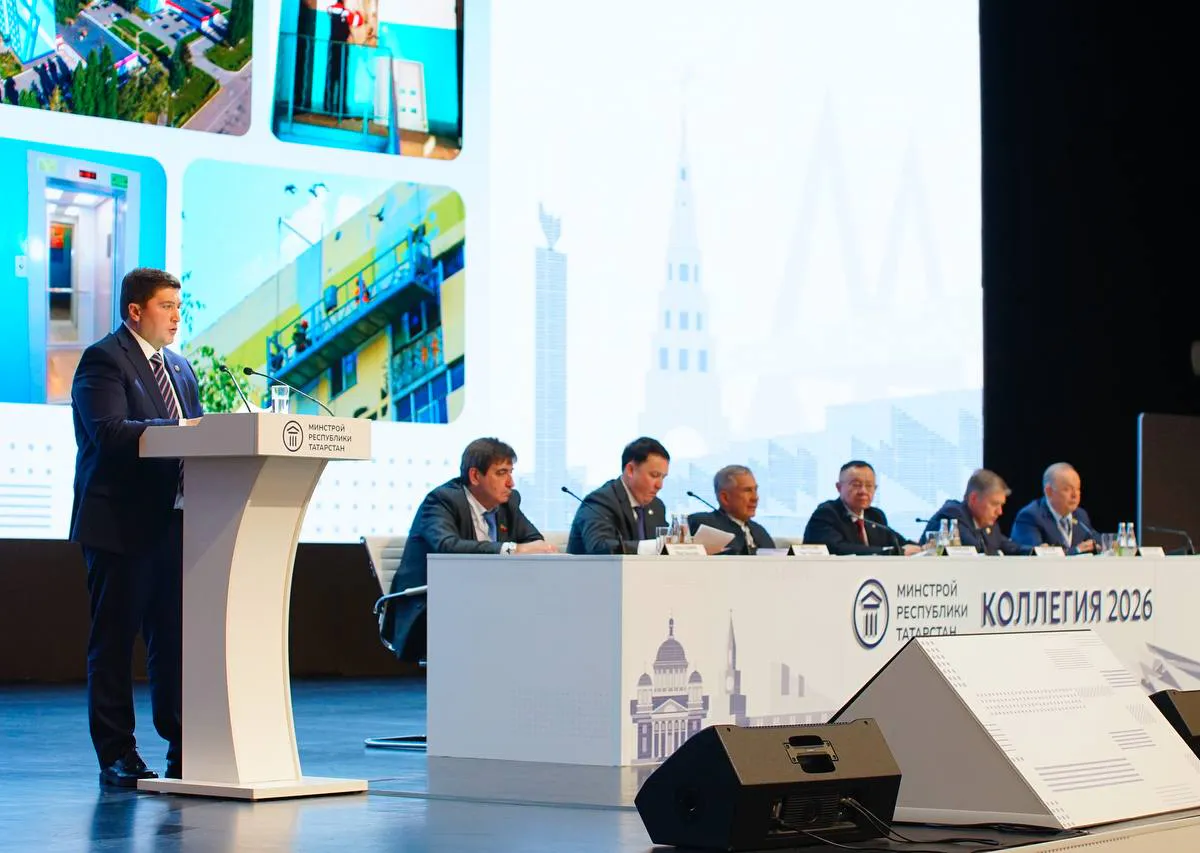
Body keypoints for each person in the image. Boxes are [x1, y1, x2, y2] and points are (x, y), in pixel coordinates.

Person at [70, 268, 203, 787]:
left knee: (173, 642)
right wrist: (180, 429)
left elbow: (197, 438)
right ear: (135, 310)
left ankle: (184, 745)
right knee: (114, 642)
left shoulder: (181, 369)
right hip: (119, 525)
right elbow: (109, 434)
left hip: (176, 524)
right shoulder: (104, 359)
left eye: (179, 306)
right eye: (167, 305)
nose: (176, 316)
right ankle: (117, 753)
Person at [382, 438, 556, 661]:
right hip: (430, 605)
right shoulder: (441, 501)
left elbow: (534, 542)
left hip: (485, 600)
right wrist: (513, 550)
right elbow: (447, 547)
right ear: (475, 476)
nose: (511, 483)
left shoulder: (508, 503)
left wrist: (535, 550)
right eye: (501, 473)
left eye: (511, 472)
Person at [567, 437, 670, 555]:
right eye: (654, 475)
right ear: (630, 470)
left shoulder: (657, 506)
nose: (660, 485)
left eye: (663, 477)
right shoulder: (599, 502)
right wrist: (652, 547)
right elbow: (599, 547)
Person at [803, 460, 921, 556]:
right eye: (856, 485)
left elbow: (899, 543)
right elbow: (838, 549)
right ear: (839, 487)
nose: (863, 491)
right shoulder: (826, 513)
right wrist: (891, 552)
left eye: (869, 486)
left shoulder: (875, 516)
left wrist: (923, 547)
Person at [923, 469, 1033, 556]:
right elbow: (973, 548)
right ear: (974, 498)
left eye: (1001, 505)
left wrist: (1035, 550)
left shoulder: (988, 524)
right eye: (994, 504)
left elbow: (1011, 547)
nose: (1000, 512)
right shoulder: (953, 513)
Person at [1010, 462, 1098, 554]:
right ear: (1049, 491)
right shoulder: (1030, 516)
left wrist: (1104, 543)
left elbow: (1096, 539)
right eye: (1067, 489)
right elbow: (1037, 554)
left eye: (1078, 488)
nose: (1075, 495)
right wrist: (1076, 550)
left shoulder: (1080, 515)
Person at [687, 465, 776, 554]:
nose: (755, 498)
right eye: (747, 490)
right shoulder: (703, 523)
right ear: (725, 498)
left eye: (755, 490)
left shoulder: (760, 531)